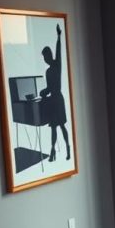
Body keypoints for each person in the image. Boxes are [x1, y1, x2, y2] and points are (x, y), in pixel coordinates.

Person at [39, 23, 70, 162]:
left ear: (49, 55)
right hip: (53, 100)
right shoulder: (47, 71)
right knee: (53, 128)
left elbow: (59, 51)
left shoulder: (57, 64)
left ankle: (68, 147)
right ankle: (52, 151)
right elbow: (49, 88)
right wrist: (43, 92)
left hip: (58, 99)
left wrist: (58, 37)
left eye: (46, 56)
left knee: (62, 126)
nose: (45, 60)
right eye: (44, 58)